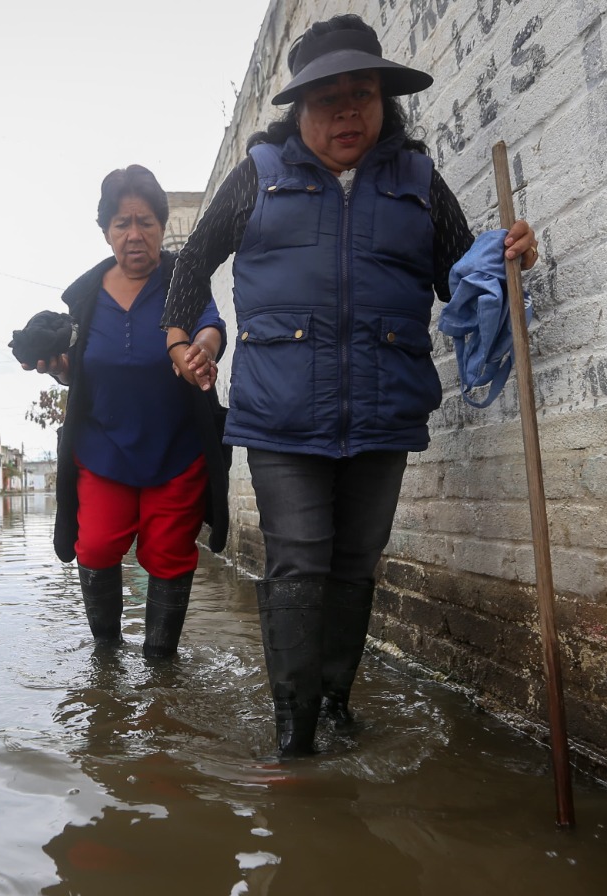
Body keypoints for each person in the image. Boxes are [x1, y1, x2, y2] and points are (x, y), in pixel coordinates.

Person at [161, 15, 540, 755]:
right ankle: (294, 732)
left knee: (356, 565)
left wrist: (508, 259)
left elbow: (460, 274)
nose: (346, 112)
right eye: (327, 98)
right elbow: (190, 265)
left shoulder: (418, 182)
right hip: (279, 416)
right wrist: (182, 340)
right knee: (298, 560)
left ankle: (335, 702)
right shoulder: (259, 178)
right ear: (298, 109)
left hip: (381, 411)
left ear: (383, 101)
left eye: (361, 94)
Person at [17, 165, 229, 659]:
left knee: (170, 554)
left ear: (160, 224)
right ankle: (106, 660)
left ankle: (161, 666)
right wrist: (55, 367)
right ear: (107, 231)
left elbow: (211, 325)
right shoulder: (86, 297)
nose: (134, 235)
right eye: (121, 223)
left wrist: (203, 350)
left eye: (146, 222)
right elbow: (77, 368)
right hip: (103, 448)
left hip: (176, 449)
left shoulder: (184, 277)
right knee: (94, 547)